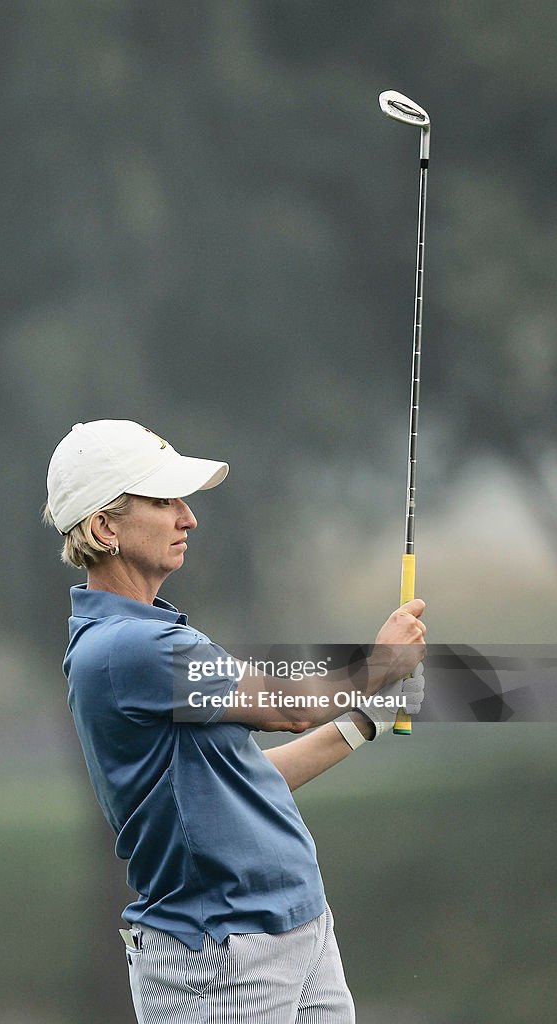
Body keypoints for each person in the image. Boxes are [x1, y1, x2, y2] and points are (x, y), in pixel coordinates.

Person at [44, 419, 426, 1024]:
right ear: (103, 526)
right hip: (218, 952)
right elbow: (290, 706)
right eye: (164, 501)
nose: (188, 518)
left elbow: (242, 778)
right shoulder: (130, 649)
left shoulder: (156, 638)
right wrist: (378, 667)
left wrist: (365, 716)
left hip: (294, 929)